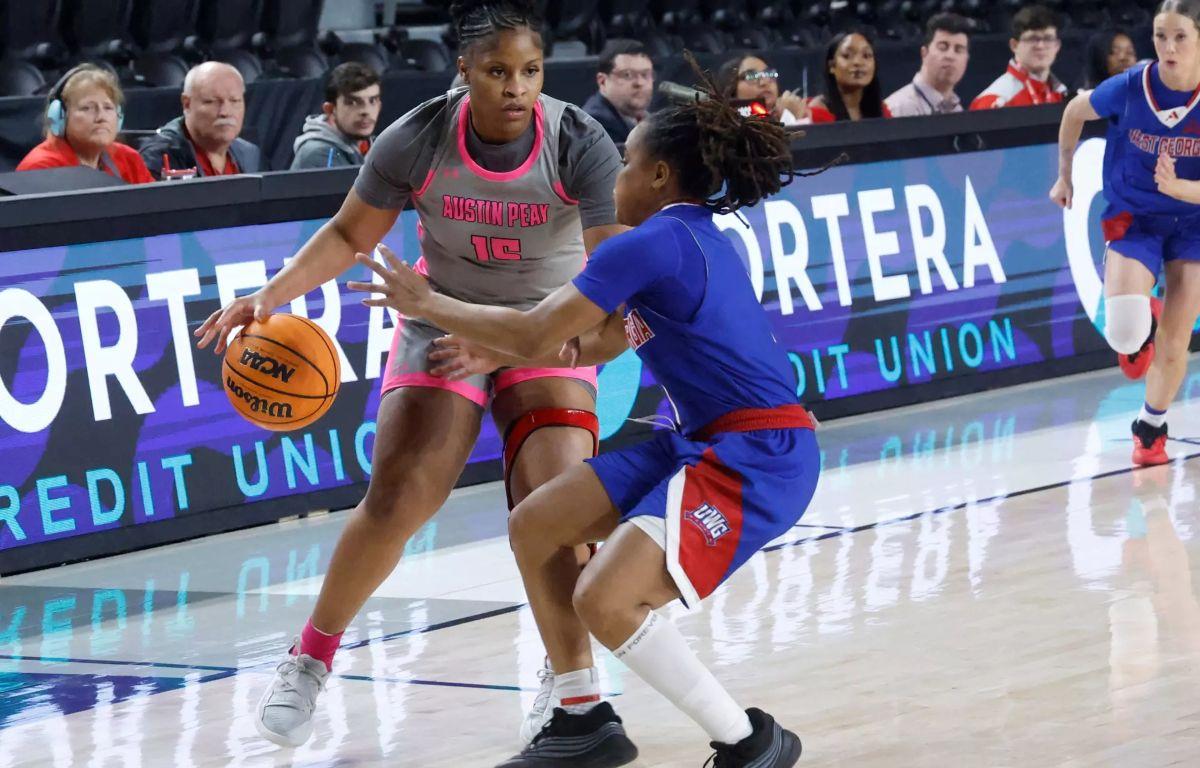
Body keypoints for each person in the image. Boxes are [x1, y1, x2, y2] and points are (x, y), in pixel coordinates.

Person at [352, 58, 817, 768]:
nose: (614, 181)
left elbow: (539, 334)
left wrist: (430, 305)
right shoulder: (687, 237)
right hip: (701, 441)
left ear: (659, 177)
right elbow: (587, 338)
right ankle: (580, 717)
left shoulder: (653, 240)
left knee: (607, 600)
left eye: (626, 165)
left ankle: (750, 741)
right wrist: (508, 345)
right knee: (537, 523)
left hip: (756, 457)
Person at [194, 0, 625, 750]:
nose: (516, 87)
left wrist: (515, 346)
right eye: (498, 71)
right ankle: (311, 657)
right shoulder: (420, 135)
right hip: (442, 314)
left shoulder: (580, 141)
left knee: (550, 507)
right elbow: (346, 234)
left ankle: (570, 687)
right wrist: (268, 297)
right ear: (464, 73)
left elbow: (614, 285)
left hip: (549, 325)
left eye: (530, 71)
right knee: (397, 495)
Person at [1050, 0, 1200, 466]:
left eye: (1180, 37)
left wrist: (1181, 188)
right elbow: (1075, 111)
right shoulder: (1132, 86)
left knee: (1177, 341)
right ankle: (1141, 322)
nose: (1168, 47)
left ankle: (1150, 426)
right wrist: (1064, 175)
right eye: (1160, 36)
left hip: (1193, 221)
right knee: (1124, 333)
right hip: (1136, 216)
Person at [17, 63, 153, 184]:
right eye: (87, 108)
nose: (101, 117)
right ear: (60, 116)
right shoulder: (41, 169)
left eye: (108, 107)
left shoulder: (129, 159)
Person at [140, 62, 263, 179]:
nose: (225, 112)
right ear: (187, 104)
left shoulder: (251, 155)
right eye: (212, 101)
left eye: (235, 101)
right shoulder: (158, 158)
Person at [971, 5, 1067, 110]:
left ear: (1057, 46)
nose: (1040, 46)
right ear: (1014, 45)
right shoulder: (994, 101)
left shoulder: (1062, 95)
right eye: (1032, 39)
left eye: (1048, 39)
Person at [291, 62, 382, 169]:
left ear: (379, 106)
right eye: (352, 102)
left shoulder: (372, 146)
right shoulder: (317, 154)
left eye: (372, 101)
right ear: (330, 109)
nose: (366, 111)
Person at [885, 13, 972, 117]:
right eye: (943, 47)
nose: (950, 56)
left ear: (967, 58)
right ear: (924, 53)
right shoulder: (897, 108)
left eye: (959, 50)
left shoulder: (958, 110)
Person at [583, 39, 655, 144]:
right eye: (627, 75)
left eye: (645, 75)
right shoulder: (596, 124)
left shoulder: (643, 117)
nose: (640, 83)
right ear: (602, 81)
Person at [810, 30, 891, 122]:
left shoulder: (882, 111)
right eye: (847, 56)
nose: (858, 62)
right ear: (831, 66)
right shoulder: (815, 113)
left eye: (866, 55)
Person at [719, 53, 810, 126]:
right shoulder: (725, 127)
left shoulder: (797, 111)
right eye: (752, 76)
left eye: (768, 74)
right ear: (730, 87)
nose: (764, 83)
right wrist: (791, 118)